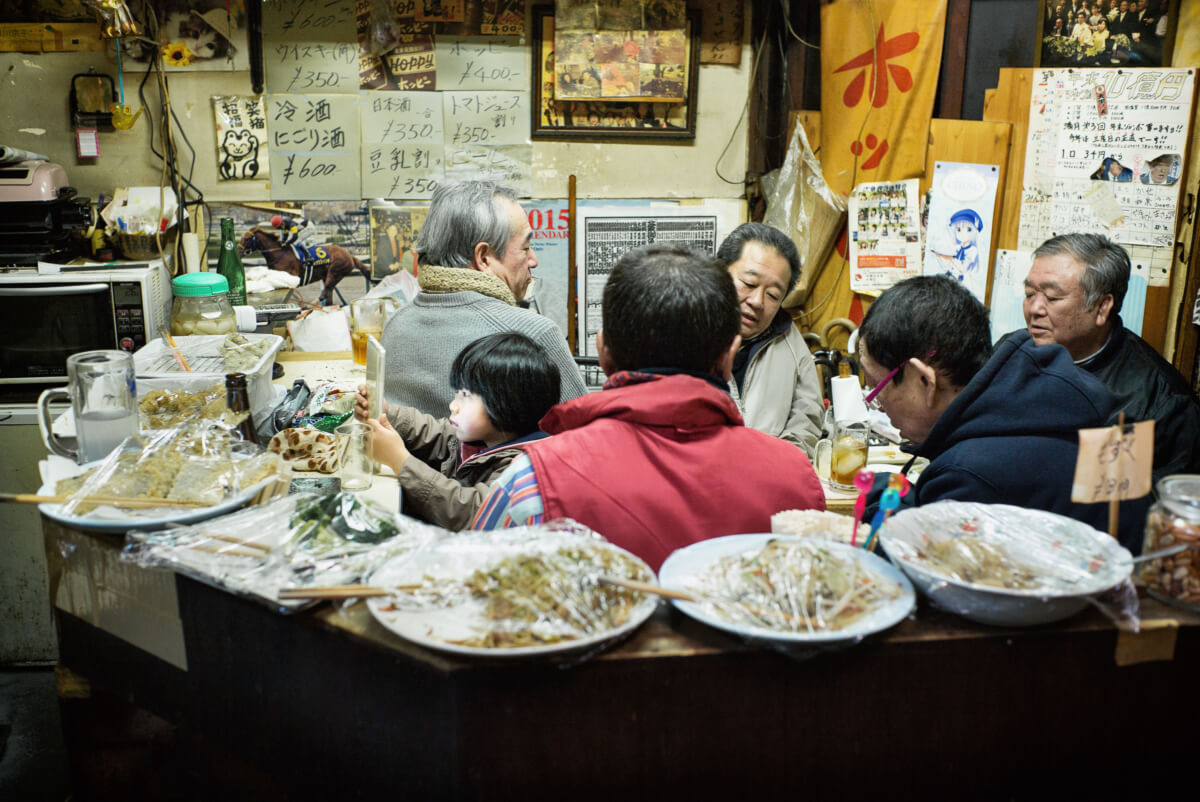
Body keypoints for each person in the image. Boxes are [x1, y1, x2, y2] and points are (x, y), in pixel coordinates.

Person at [471, 243, 826, 570]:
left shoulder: (531, 481)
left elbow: (473, 603)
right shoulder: (796, 479)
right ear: (728, 358)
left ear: (603, 351)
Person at [859, 274, 1148, 552]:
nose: (877, 406)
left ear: (924, 380)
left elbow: (932, 579)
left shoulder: (968, 474)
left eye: (875, 388)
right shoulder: (1048, 394)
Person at [380, 181, 586, 417]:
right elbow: (586, 435)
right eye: (526, 247)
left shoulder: (394, 326)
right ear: (484, 258)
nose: (533, 260)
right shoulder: (532, 335)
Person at [1017, 233, 1200, 489]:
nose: (1033, 308)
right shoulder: (1012, 351)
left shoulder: (1162, 402)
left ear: (1102, 307)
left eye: (1052, 297)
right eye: (1029, 293)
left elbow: (1162, 504)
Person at [357, 332, 559, 530]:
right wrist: (387, 412)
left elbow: (467, 511)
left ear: (507, 405)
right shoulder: (485, 437)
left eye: (465, 395)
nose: (453, 405)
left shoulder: (519, 469)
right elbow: (434, 432)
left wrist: (399, 461)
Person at [715, 223, 823, 458]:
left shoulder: (790, 341)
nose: (757, 301)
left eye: (773, 295)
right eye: (749, 284)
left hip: (766, 482)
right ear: (718, 272)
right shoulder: (681, 329)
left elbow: (808, 417)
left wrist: (776, 464)